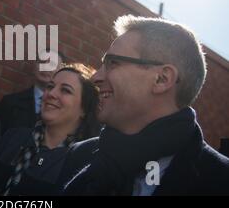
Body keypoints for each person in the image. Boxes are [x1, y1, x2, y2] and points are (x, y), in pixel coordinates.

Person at [63, 15, 229, 196]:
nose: (95, 77)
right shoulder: (79, 155)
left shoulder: (221, 180)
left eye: (113, 63)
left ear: (161, 79)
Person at [0, 63, 101, 195]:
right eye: (50, 86)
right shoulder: (12, 137)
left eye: (65, 90)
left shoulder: (85, 161)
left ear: (84, 109)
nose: (51, 93)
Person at [0, 50, 65, 135]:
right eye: (42, 62)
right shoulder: (10, 103)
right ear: (34, 67)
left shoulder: (65, 111)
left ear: (61, 72)